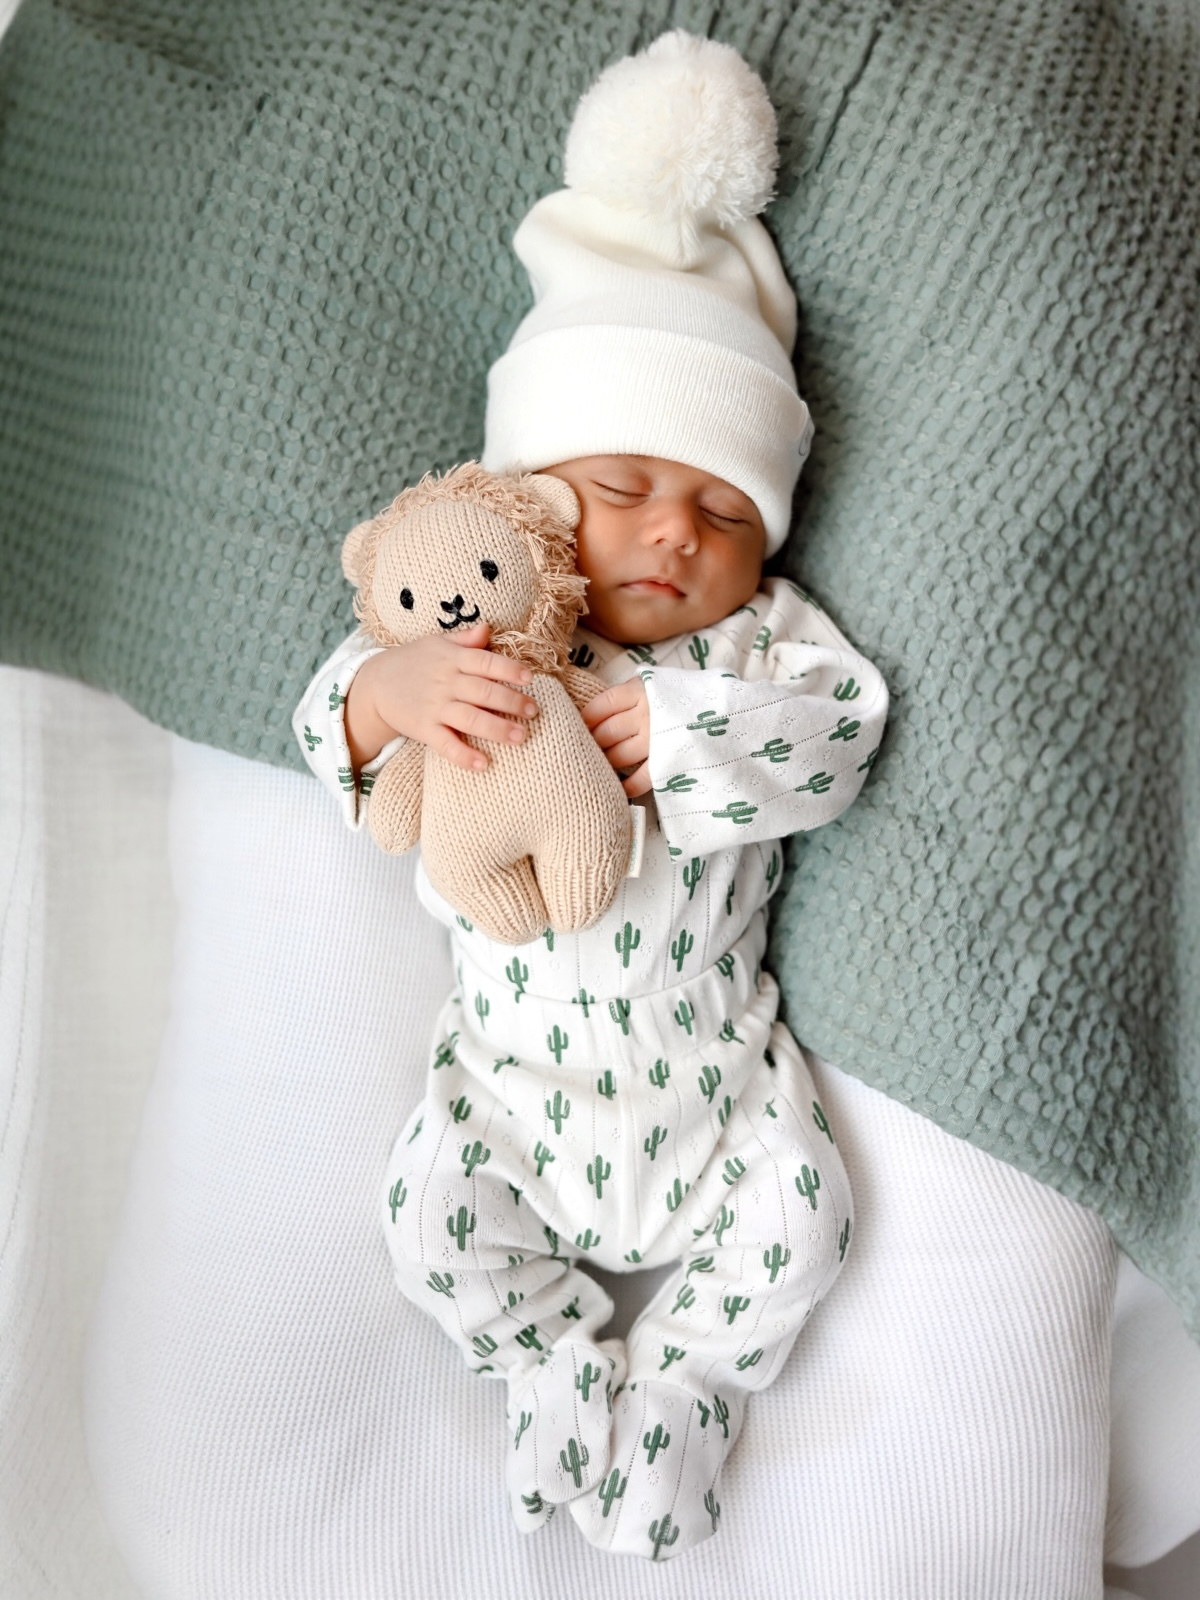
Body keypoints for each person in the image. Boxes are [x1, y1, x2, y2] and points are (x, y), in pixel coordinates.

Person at [292, 32, 887, 1562]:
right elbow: (330, 725)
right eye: (623, 484)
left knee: (807, 1215)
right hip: (508, 1084)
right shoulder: (474, 620)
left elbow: (839, 739)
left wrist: (683, 741)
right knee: (427, 1222)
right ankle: (549, 1368)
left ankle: (688, 1388)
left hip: (719, 1083)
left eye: (724, 509)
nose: (674, 537)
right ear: (528, 491)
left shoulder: (760, 643)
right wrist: (388, 696)